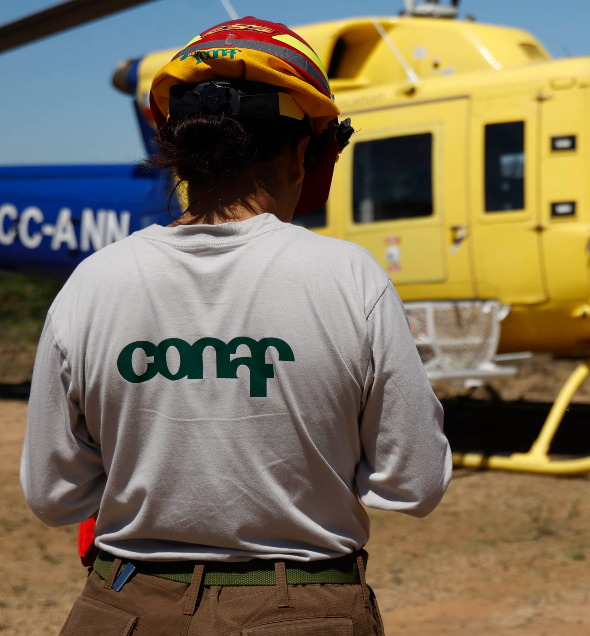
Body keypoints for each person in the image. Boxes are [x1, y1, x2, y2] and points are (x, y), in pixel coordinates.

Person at [21, 17, 451, 635]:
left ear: (179, 149)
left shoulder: (92, 282)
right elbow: (414, 483)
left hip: (123, 608)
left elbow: (52, 493)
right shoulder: (349, 277)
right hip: (301, 613)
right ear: (305, 151)